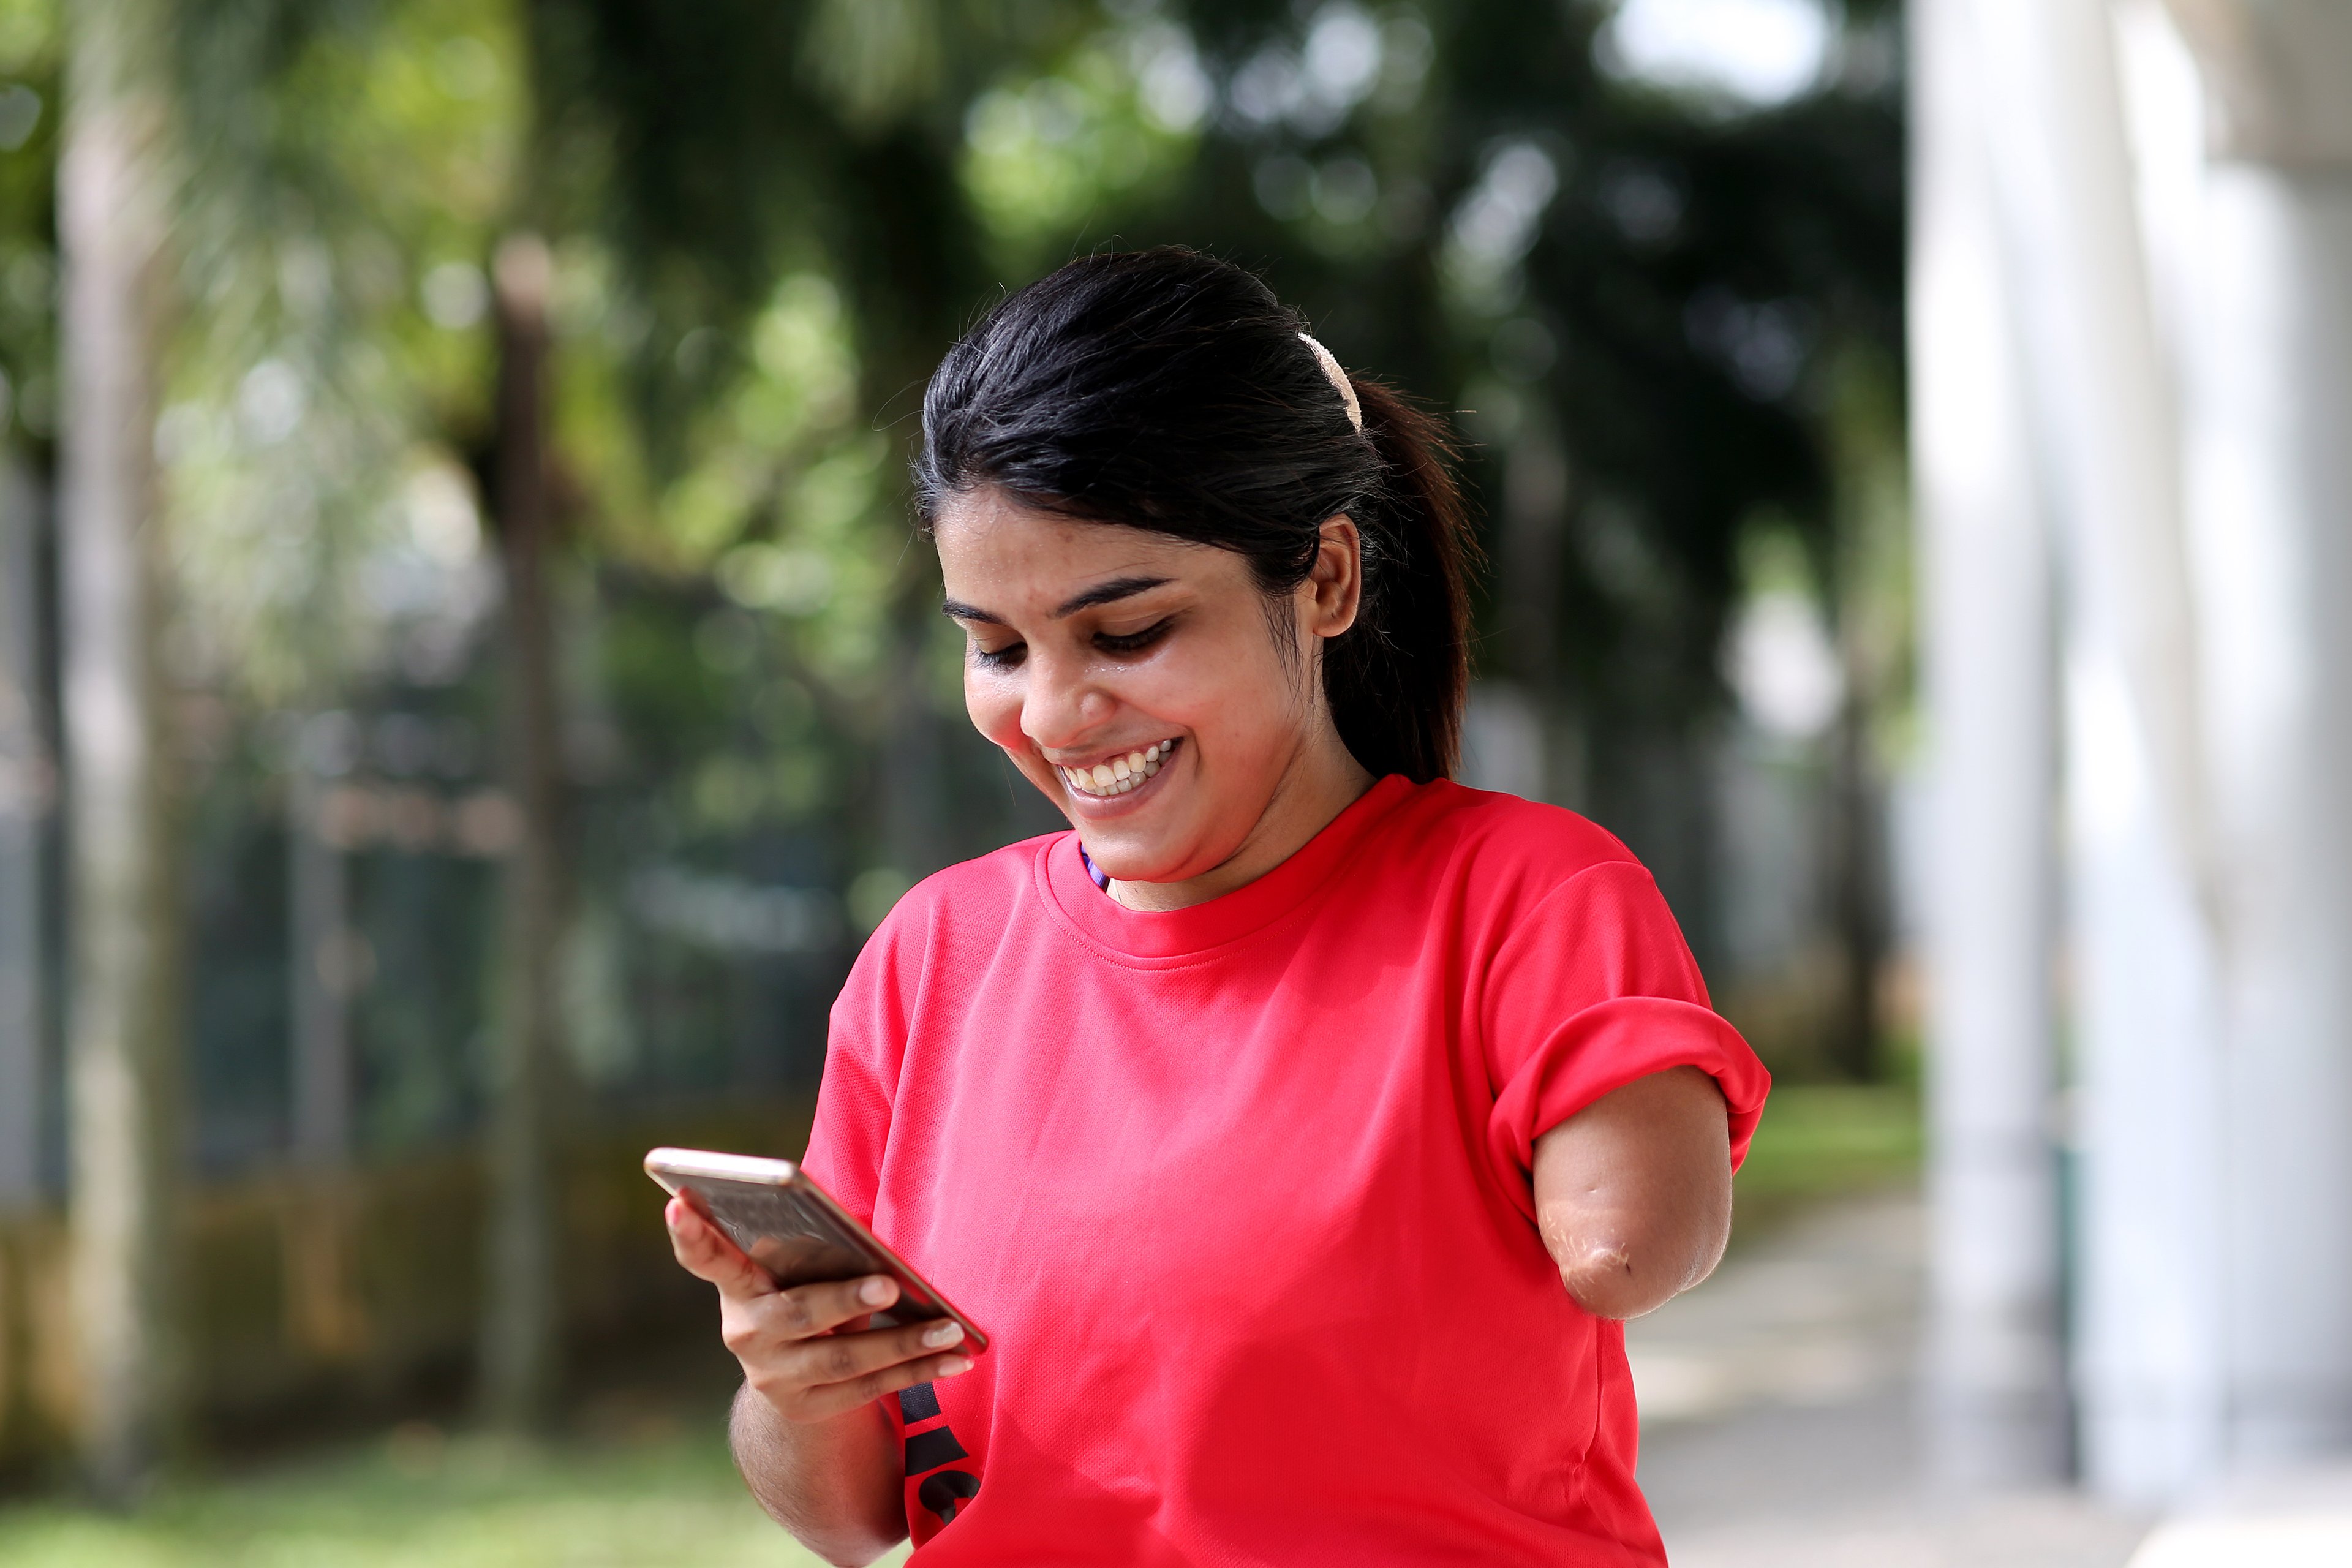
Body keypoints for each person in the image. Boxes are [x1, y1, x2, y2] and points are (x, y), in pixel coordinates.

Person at [665, 247, 1770, 1566]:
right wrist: (790, 1381)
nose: (1059, 712)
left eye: (1128, 633)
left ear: (1328, 581)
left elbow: (1633, 1247)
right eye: (1000, 647)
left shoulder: (1525, 898)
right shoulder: (934, 959)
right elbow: (851, 1516)